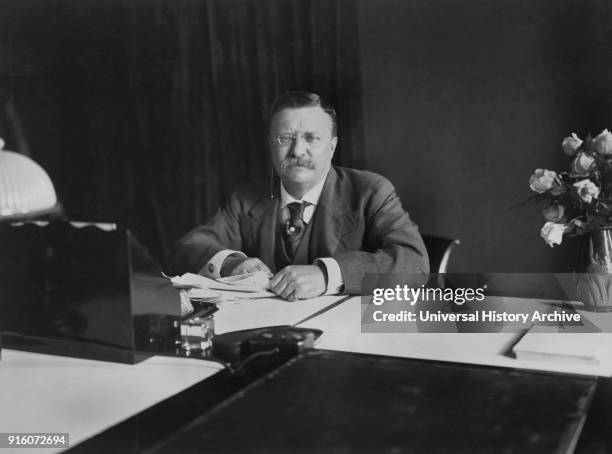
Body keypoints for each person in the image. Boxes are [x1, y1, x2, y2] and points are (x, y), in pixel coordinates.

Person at [168, 91, 429, 301]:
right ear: (271, 145)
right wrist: (230, 264)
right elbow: (190, 246)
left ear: (332, 146)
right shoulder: (246, 198)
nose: (297, 151)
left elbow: (415, 263)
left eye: (311, 138)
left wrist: (327, 275)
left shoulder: (370, 191)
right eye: (285, 139)